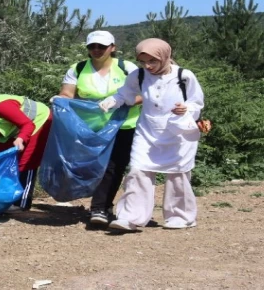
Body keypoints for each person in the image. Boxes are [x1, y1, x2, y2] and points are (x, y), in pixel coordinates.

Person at [99, 38, 204, 232]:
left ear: (164, 57)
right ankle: (131, 217)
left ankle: (180, 216)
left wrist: (186, 108)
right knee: (138, 171)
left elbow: (197, 102)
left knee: (178, 175)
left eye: (153, 61)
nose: (147, 66)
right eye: (143, 61)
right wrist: (111, 101)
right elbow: (124, 94)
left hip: (177, 133)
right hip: (147, 131)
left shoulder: (184, 75)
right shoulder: (138, 75)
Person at [53, 30, 142, 226]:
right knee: (93, 165)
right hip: (90, 127)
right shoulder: (78, 68)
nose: (96, 50)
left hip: (124, 125)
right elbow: (67, 94)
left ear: (113, 48)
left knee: (113, 165)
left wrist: (120, 101)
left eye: (101, 46)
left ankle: (99, 208)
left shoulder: (127, 68)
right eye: (92, 46)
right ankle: (103, 203)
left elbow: (144, 94)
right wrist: (59, 100)